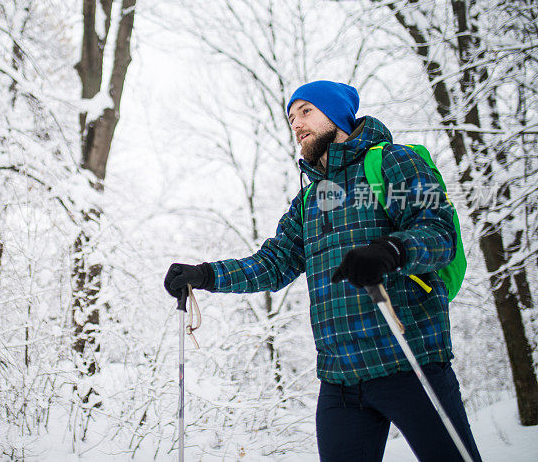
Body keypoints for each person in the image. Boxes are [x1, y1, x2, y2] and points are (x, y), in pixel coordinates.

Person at [163, 80, 482, 462]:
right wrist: (205, 275)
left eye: (306, 111)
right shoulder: (310, 200)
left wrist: (391, 250)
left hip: (410, 361)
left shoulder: (394, 161)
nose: (296, 123)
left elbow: (438, 231)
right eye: (291, 117)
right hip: (341, 381)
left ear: (337, 115)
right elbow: (273, 263)